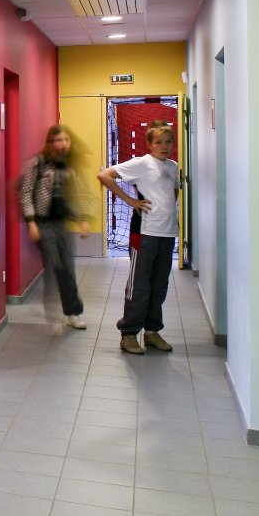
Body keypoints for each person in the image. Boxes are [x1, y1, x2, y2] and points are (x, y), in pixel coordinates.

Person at [98, 121, 179, 355]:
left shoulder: (172, 166)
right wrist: (131, 201)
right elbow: (104, 175)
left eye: (168, 142)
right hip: (144, 233)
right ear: (149, 144)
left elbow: (173, 189)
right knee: (139, 284)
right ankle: (129, 334)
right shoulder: (142, 164)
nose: (164, 147)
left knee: (159, 285)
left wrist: (169, 210)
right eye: (158, 142)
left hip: (167, 232)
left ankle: (152, 332)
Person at [18, 125, 92, 329]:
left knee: (67, 268)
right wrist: (31, 221)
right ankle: (52, 314)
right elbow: (25, 193)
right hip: (43, 223)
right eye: (58, 140)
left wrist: (81, 219)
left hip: (62, 223)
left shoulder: (69, 164)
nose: (63, 144)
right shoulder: (38, 162)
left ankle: (72, 313)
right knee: (55, 267)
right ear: (50, 142)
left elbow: (74, 195)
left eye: (66, 140)